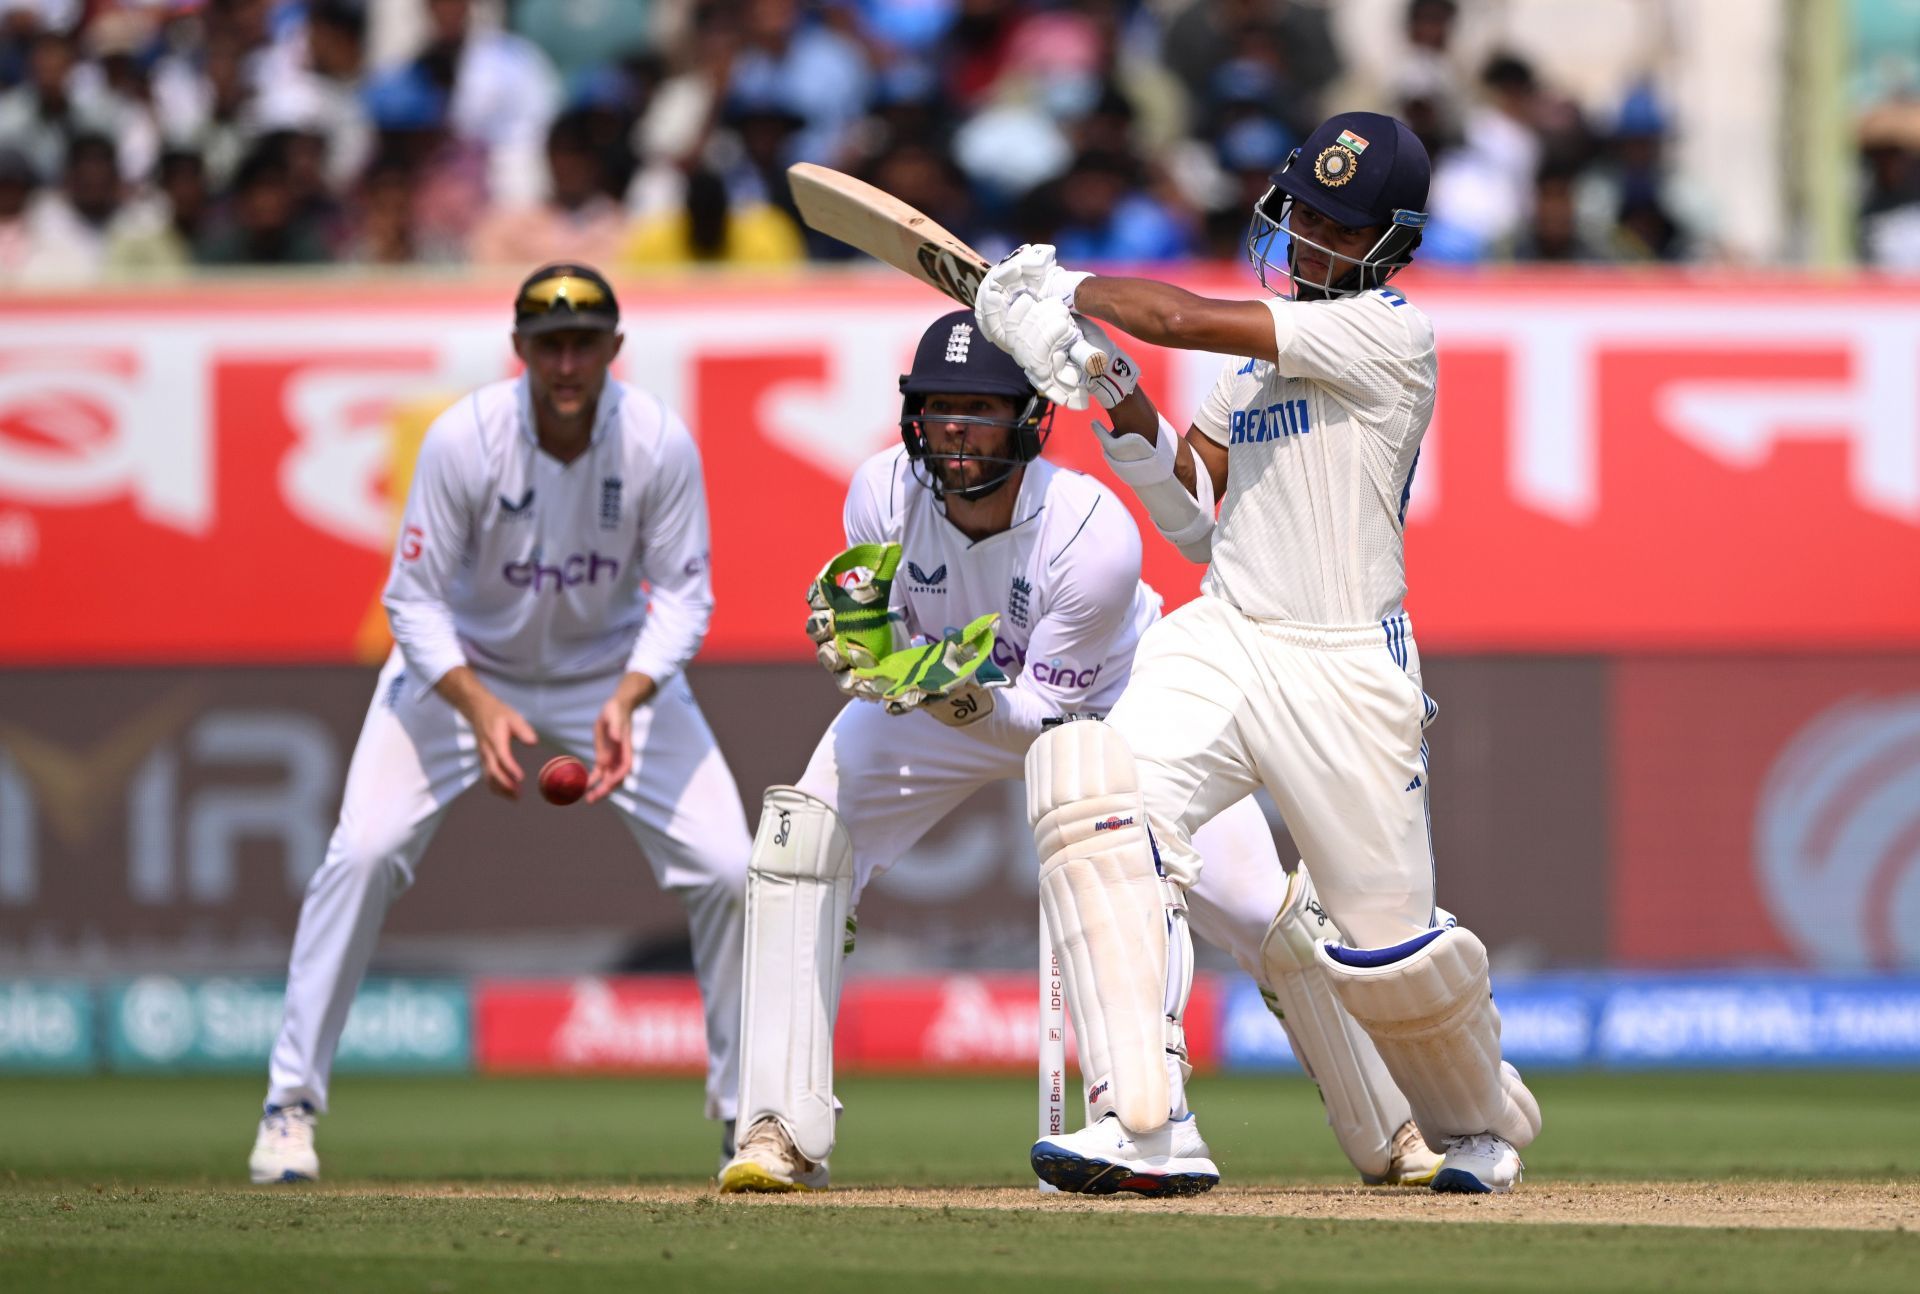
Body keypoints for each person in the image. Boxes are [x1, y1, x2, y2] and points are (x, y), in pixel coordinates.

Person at [716, 309, 1441, 1194]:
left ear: (1029, 417)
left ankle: (1390, 1128)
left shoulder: (1089, 532)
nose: (955, 428)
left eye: (980, 409)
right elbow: (890, 632)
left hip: (1108, 708)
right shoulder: (878, 491)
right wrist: (874, 651)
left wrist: (961, 692)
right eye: (939, 406)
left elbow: (1044, 725)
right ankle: (777, 1130)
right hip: (938, 703)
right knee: (801, 846)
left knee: (1262, 914)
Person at [974, 110, 1542, 1194]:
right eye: (1310, 217)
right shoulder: (1254, 376)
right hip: (1228, 632)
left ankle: (1481, 1116)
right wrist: (1115, 395)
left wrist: (1067, 293)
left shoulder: (1389, 334)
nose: (1317, 242)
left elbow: (1180, 314)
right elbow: (1195, 520)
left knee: (1387, 953)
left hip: (1345, 666)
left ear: (1395, 244)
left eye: (1345, 227)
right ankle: (1145, 1121)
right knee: (1090, 790)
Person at [248, 263, 751, 1184]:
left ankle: (742, 1116)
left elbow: (685, 596)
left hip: (612, 671)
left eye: (585, 343)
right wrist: (476, 705)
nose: (567, 362)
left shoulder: (656, 442)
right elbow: (413, 600)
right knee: (361, 854)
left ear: (614, 350)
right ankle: (289, 1106)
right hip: (460, 672)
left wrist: (630, 693)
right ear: (519, 350)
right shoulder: (462, 441)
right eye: (549, 344)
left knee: (729, 866)